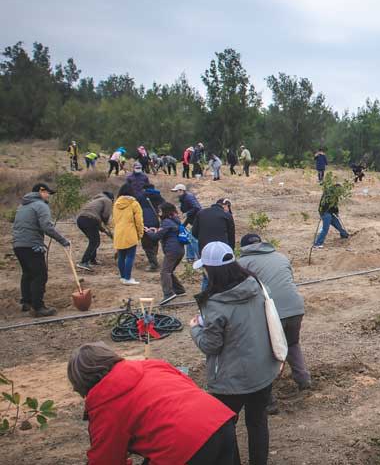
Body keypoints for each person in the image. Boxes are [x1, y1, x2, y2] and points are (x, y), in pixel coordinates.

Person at [67, 341, 237, 465]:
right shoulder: (151, 365)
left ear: (82, 383)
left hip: (185, 445)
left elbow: (104, 460)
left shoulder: (105, 403)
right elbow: (188, 386)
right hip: (220, 421)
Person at [190, 242, 282, 465]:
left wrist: (195, 328)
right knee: (258, 422)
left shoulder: (215, 304)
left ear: (211, 270)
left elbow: (211, 345)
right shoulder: (257, 286)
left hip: (231, 381)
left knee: (225, 427)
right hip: (262, 371)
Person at [239, 233, 311, 413]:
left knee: (266, 352)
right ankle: (303, 379)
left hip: (271, 312)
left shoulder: (242, 264)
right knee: (292, 343)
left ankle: (268, 401)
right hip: (296, 307)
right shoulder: (281, 256)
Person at [12, 183, 70, 317]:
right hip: (32, 245)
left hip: (18, 245)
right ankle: (38, 307)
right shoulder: (40, 205)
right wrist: (63, 241)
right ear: (41, 191)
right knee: (40, 275)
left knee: (27, 273)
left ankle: (26, 302)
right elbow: (47, 227)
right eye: (48, 193)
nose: (49, 196)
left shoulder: (22, 205)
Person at [145, 203, 187, 305]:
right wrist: (156, 230)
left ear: (165, 211)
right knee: (169, 271)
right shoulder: (174, 221)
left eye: (160, 210)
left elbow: (155, 237)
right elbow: (165, 232)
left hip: (172, 250)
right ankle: (179, 290)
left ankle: (168, 294)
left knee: (165, 272)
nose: (158, 212)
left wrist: (148, 232)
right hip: (179, 250)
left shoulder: (166, 222)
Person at [112, 184, 144, 285]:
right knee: (130, 256)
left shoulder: (116, 203)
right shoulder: (134, 203)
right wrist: (140, 233)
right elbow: (139, 221)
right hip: (130, 232)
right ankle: (128, 278)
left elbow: (114, 219)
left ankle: (122, 277)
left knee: (121, 256)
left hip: (118, 232)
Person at [76, 191, 114, 271]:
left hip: (81, 220)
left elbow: (96, 220)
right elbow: (105, 215)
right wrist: (106, 223)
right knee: (95, 241)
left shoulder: (96, 201)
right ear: (112, 199)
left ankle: (92, 260)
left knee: (94, 240)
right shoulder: (107, 200)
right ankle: (83, 262)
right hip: (89, 220)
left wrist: (105, 231)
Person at [171, 183, 203, 260]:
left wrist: (187, 213)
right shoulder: (183, 198)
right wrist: (184, 225)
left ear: (181, 190)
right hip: (193, 220)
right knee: (189, 238)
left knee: (192, 239)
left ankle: (200, 258)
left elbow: (197, 207)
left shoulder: (188, 197)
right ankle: (190, 257)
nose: (176, 193)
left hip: (198, 221)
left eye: (177, 191)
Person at [138, 184, 165, 272]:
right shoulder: (159, 196)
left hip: (145, 222)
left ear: (144, 189)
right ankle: (154, 258)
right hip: (156, 222)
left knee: (146, 244)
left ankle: (153, 264)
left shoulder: (141, 197)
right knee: (154, 240)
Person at [314, 184, 349, 248]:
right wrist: (334, 211)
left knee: (337, 224)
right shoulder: (328, 194)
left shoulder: (333, 194)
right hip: (325, 213)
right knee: (325, 228)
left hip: (330, 212)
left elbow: (334, 204)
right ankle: (317, 244)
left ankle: (344, 235)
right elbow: (326, 205)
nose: (340, 193)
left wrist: (336, 211)